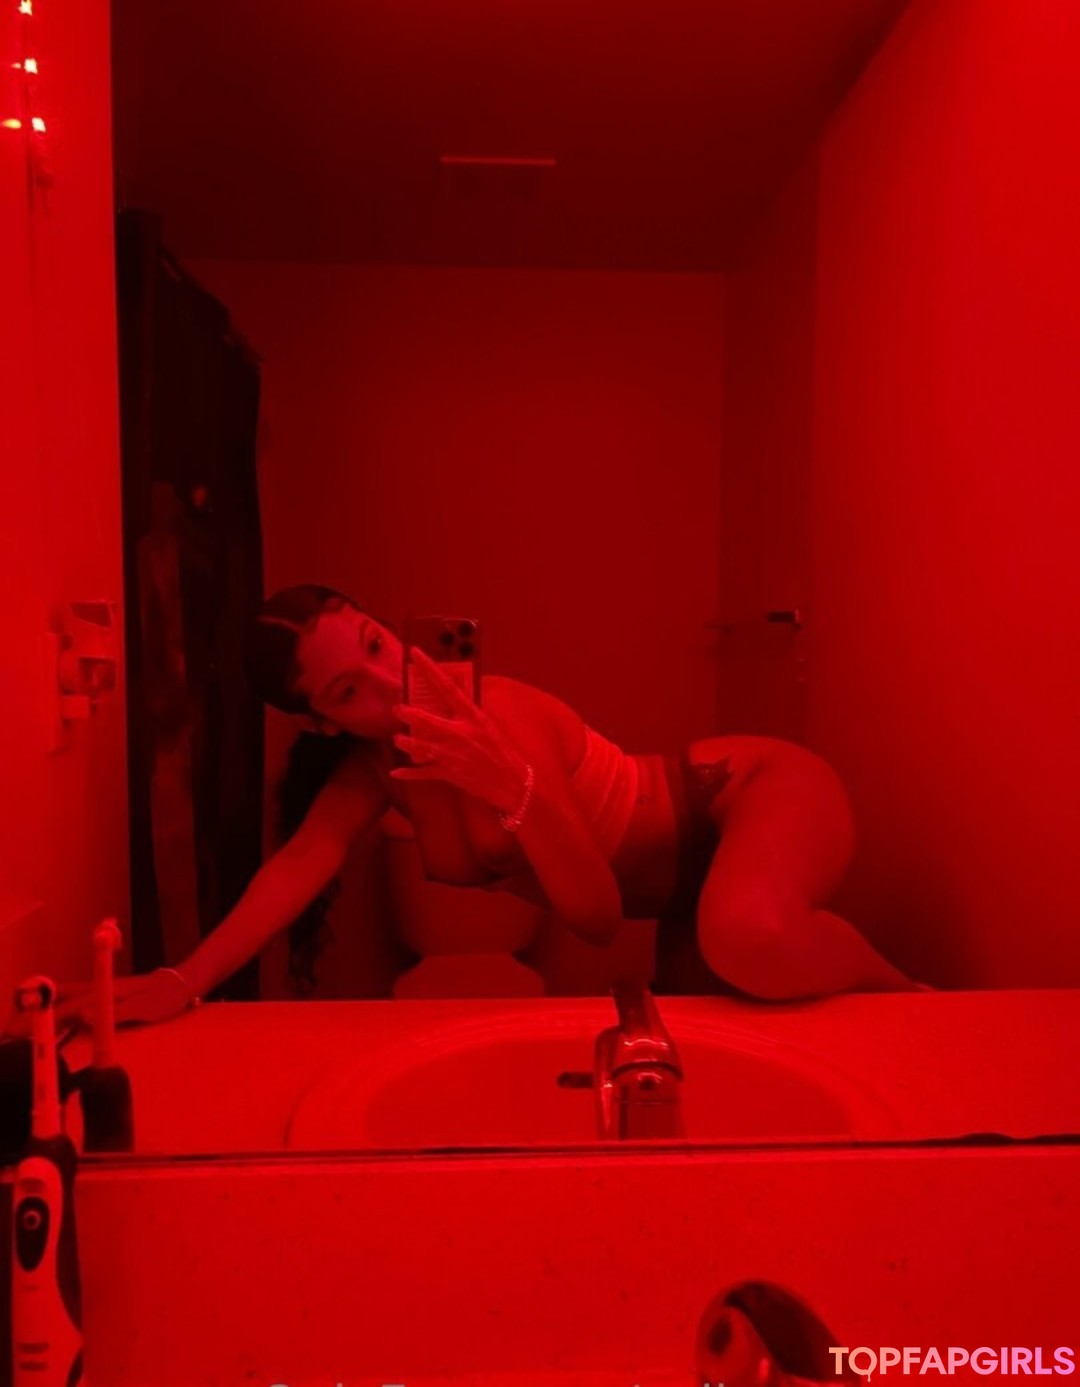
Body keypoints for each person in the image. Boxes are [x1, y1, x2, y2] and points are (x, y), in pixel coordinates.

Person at [53, 584, 919, 1029]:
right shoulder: (374, 774)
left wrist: (509, 781)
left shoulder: (496, 711)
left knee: (747, 938)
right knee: (730, 1042)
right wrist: (182, 980)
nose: (389, 682)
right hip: (684, 900)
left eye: (377, 644)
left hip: (742, 792)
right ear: (324, 721)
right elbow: (299, 866)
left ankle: (910, 996)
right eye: (350, 689)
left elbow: (595, 915)